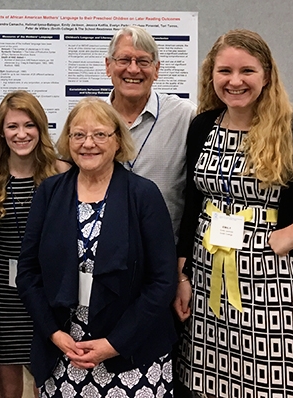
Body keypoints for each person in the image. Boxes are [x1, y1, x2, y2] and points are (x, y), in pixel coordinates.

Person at [17, 98, 177, 397]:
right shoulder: (50, 193)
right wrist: (54, 334)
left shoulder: (143, 194)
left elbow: (162, 281)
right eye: (78, 134)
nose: (88, 143)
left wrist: (114, 344)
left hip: (131, 353)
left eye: (100, 134)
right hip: (65, 352)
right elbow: (27, 273)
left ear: (117, 141)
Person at [175, 29, 293, 397]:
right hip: (207, 268)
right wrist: (182, 274)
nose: (235, 81)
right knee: (206, 377)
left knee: (264, 379)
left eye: (247, 71)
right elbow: (191, 203)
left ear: (267, 75)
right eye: (225, 71)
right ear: (212, 74)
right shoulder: (202, 126)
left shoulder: (287, 129)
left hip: (267, 276)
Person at [0, 90, 69, 398]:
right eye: (13, 126)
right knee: (8, 388)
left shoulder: (61, 172)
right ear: (1, 131)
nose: (21, 134)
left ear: (40, 128)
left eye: (29, 125)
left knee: (50, 381)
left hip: (47, 290)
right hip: (4, 292)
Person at [105, 25, 196, 241]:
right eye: (124, 60)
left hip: (165, 252)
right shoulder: (89, 118)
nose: (134, 70)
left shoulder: (184, 116)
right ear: (108, 66)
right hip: (103, 252)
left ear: (156, 69)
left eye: (143, 61)